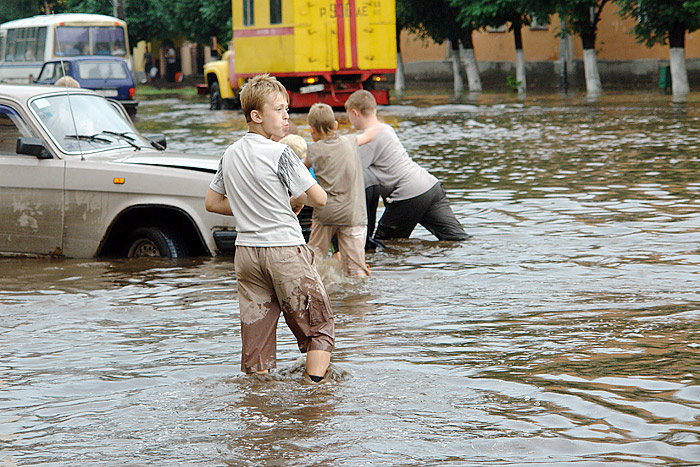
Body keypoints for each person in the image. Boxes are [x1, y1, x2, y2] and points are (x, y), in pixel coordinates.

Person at [205, 74, 334, 383]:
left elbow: (212, 202)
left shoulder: (231, 153)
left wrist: (254, 207)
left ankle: (259, 407)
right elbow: (320, 198)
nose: (286, 115)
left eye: (287, 108)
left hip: (246, 254)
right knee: (320, 326)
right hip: (284, 251)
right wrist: (292, 200)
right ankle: (314, 396)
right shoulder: (282, 153)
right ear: (257, 116)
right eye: (279, 109)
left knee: (257, 339)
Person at [345, 90, 471, 241]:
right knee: (457, 240)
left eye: (348, 116)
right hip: (431, 188)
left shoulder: (369, 138)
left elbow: (351, 172)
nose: (349, 120)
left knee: (384, 246)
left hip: (408, 195)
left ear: (355, 113)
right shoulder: (386, 129)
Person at [304, 102, 376, 276]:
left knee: (313, 260)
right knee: (356, 266)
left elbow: (301, 170)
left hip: (325, 212)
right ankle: (358, 297)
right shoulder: (350, 141)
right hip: (352, 213)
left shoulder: (313, 150)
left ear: (311, 129)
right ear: (335, 125)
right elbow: (369, 135)